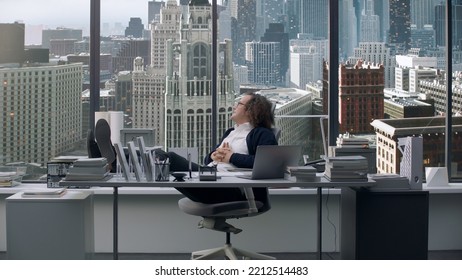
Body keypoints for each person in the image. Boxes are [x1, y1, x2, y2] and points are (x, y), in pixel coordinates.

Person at [168, 92, 278, 204]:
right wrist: (213, 156)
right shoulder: (231, 132)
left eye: (239, 104)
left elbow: (266, 164)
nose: (234, 106)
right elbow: (207, 161)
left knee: (170, 159)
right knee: (163, 157)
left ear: (251, 110)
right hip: (211, 178)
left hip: (231, 189)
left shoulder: (262, 134)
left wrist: (231, 157)